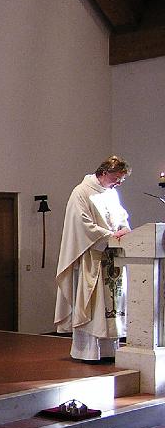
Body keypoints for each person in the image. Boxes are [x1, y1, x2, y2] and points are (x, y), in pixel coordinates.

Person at [55, 155, 132, 363]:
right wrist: (108, 236)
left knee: (111, 303)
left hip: (113, 256)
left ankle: (109, 351)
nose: (119, 183)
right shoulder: (81, 192)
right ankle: (88, 351)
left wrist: (124, 229)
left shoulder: (111, 194)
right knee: (94, 305)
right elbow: (81, 224)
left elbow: (122, 218)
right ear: (104, 173)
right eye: (117, 178)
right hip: (92, 257)